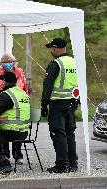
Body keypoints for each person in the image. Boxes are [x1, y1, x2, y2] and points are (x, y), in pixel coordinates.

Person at [41, 37, 79, 173]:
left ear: (56, 48)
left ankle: (62, 165)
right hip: (72, 103)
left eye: (52, 48)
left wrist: (44, 104)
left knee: (58, 133)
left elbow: (48, 86)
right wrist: (77, 101)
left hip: (58, 103)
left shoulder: (55, 64)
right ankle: (73, 164)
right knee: (70, 133)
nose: (52, 50)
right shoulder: (75, 62)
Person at [0, 53, 29, 164]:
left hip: (17, 101)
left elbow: (24, 87)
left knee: (17, 125)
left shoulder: (19, 72)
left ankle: (17, 155)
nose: (7, 64)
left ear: (14, 62)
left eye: (10, 62)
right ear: (1, 64)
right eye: (5, 63)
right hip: (3, 100)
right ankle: (4, 155)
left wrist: (25, 99)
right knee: (4, 126)